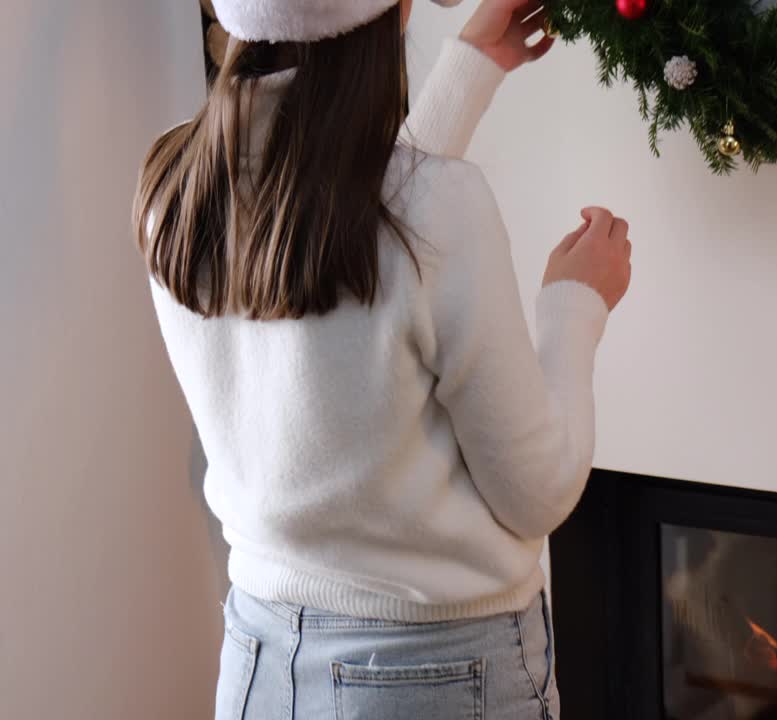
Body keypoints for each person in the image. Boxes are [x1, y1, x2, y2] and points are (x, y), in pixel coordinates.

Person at [133, 0, 632, 717]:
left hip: (259, 662)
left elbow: (359, 237)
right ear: (394, 15)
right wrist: (575, 307)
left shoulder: (174, 186)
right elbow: (539, 491)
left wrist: (470, 70)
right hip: (435, 672)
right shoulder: (437, 209)